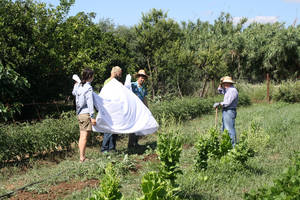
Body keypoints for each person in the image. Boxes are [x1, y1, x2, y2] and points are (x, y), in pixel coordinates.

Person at [72, 68, 96, 162]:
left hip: (80, 114)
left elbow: (74, 93)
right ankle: (82, 157)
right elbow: (90, 103)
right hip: (86, 113)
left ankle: (82, 156)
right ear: (90, 76)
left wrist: (75, 85)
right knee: (84, 136)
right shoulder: (88, 87)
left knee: (82, 135)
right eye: (93, 76)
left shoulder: (79, 86)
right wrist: (92, 117)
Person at [101, 66, 122, 153]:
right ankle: (104, 149)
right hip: (109, 109)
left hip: (115, 109)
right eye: (120, 73)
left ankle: (112, 148)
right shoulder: (108, 82)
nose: (120, 75)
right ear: (115, 73)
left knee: (114, 129)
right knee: (108, 130)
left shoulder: (117, 82)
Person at [213, 76, 238, 147]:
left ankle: (233, 147)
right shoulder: (228, 90)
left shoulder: (232, 91)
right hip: (226, 111)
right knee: (224, 129)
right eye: (223, 83)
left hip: (229, 111)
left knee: (229, 129)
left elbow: (227, 103)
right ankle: (227, 146)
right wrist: (220, 83)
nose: (224, 85)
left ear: (229, 83)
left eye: (225, 83)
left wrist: (219, 104)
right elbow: (220, 90)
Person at [128, 69, 148, 148]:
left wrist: (147, 109)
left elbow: (144, 98)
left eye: (143, 77)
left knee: (139, 126)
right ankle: (130, 144)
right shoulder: (132, 85)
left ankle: (136, 142)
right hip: (133, 109)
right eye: (140, 77)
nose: (141, 79)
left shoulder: (143, 88)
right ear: (138, 77)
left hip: (140, 110)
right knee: (133, 127)